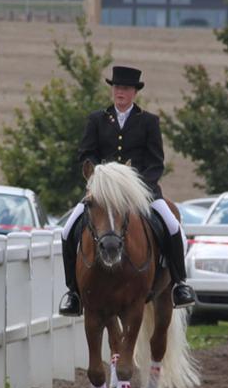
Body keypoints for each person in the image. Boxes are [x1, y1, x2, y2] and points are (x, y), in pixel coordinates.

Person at [58, 65, 196, 316]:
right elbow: (86, 154)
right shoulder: (97, 119)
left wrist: (136, 187)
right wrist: (100, 176)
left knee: (173, 226)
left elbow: (156, 163)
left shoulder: (148, 122)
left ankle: (179, 284)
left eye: (125, 89)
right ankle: (73, 293)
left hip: (141, 192)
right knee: (68, 231)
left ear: (134, 92)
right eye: (117, 88)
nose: (120, 92)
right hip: (103, 191)